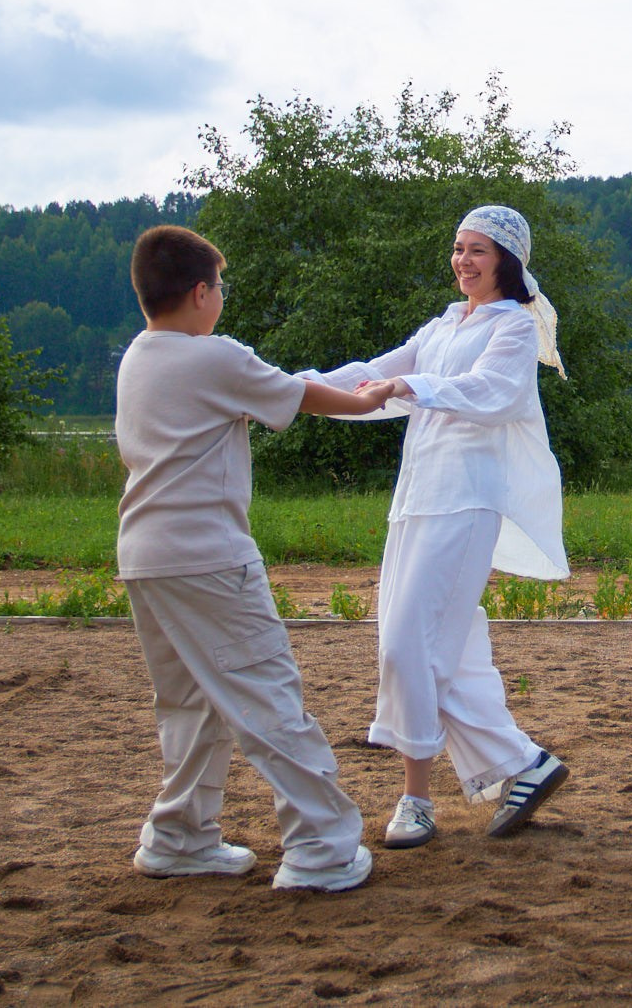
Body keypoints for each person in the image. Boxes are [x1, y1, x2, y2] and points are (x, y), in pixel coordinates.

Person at [115, 224, 383, 894]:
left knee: (193, 701)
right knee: (267, 696)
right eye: (221, 287)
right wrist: (366, 399)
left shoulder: (137, 357)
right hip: (209, 556)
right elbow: (297, 395)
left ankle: (180, 836)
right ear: (201, 292)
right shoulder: (215, 357)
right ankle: (321, 846)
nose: (222, 298)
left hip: (145, 556)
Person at [302, 204, 571, 850]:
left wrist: (409, 384)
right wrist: (286, 388)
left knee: (408, 646)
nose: (463, 260)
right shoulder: (446, 323)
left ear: (506, 259)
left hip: (466, 502)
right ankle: (523, 763)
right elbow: (369, 374)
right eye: (457, 248)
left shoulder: (512, 328)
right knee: (437, 653)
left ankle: (416, 799)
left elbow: (491, 393)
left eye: (477, 250)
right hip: (416, 500)